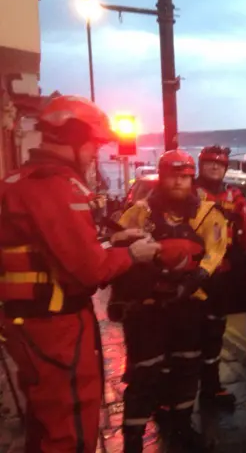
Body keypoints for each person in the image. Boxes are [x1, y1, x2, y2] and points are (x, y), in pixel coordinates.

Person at [0, 94, 161, 453]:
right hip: (55, 326)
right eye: (92, 145)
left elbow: (55, 252)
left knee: (43, 421)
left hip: (32, 322)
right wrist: (132, 254)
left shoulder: (19, 181)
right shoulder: (54, 188)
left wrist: (113, 240)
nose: (93, 155)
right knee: (70, 425)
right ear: (73, 140)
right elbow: (88, 271)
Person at [116, 149, 227, 452]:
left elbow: (216, 250)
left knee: (187, 366)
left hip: (189, 303)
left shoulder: (207, 213)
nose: (178, 182)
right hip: (148, 306)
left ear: (192, 178)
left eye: (184, 176)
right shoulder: (140, 212)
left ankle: (181, 427)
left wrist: (196, 279)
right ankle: (133, 440)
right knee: (144, 373)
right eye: (172, 175)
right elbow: (118, 246)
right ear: (162, 176)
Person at [195, 145, 246, 409]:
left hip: (222, 275)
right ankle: (179, 394)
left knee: (214, 332)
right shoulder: (189, 194)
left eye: (219, 165)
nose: (214, 168)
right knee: (187, 334)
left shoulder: (235, 195)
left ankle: (211, 388)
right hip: (193, 274)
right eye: (209, 163)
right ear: (201, 166)